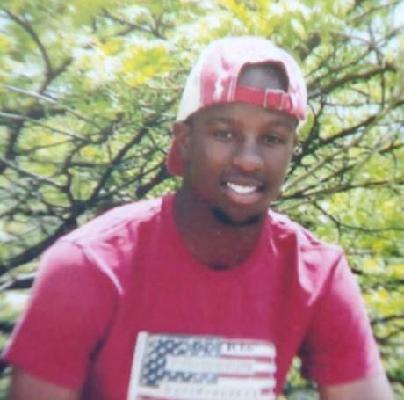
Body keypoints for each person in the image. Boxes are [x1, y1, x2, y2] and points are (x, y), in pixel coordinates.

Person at [2, 36, 393, 400]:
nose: (249, 160)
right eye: (224, 134)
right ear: (186, 141)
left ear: (292, 149)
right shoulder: (88, 264)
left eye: (272, 139)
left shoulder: (315, 272)